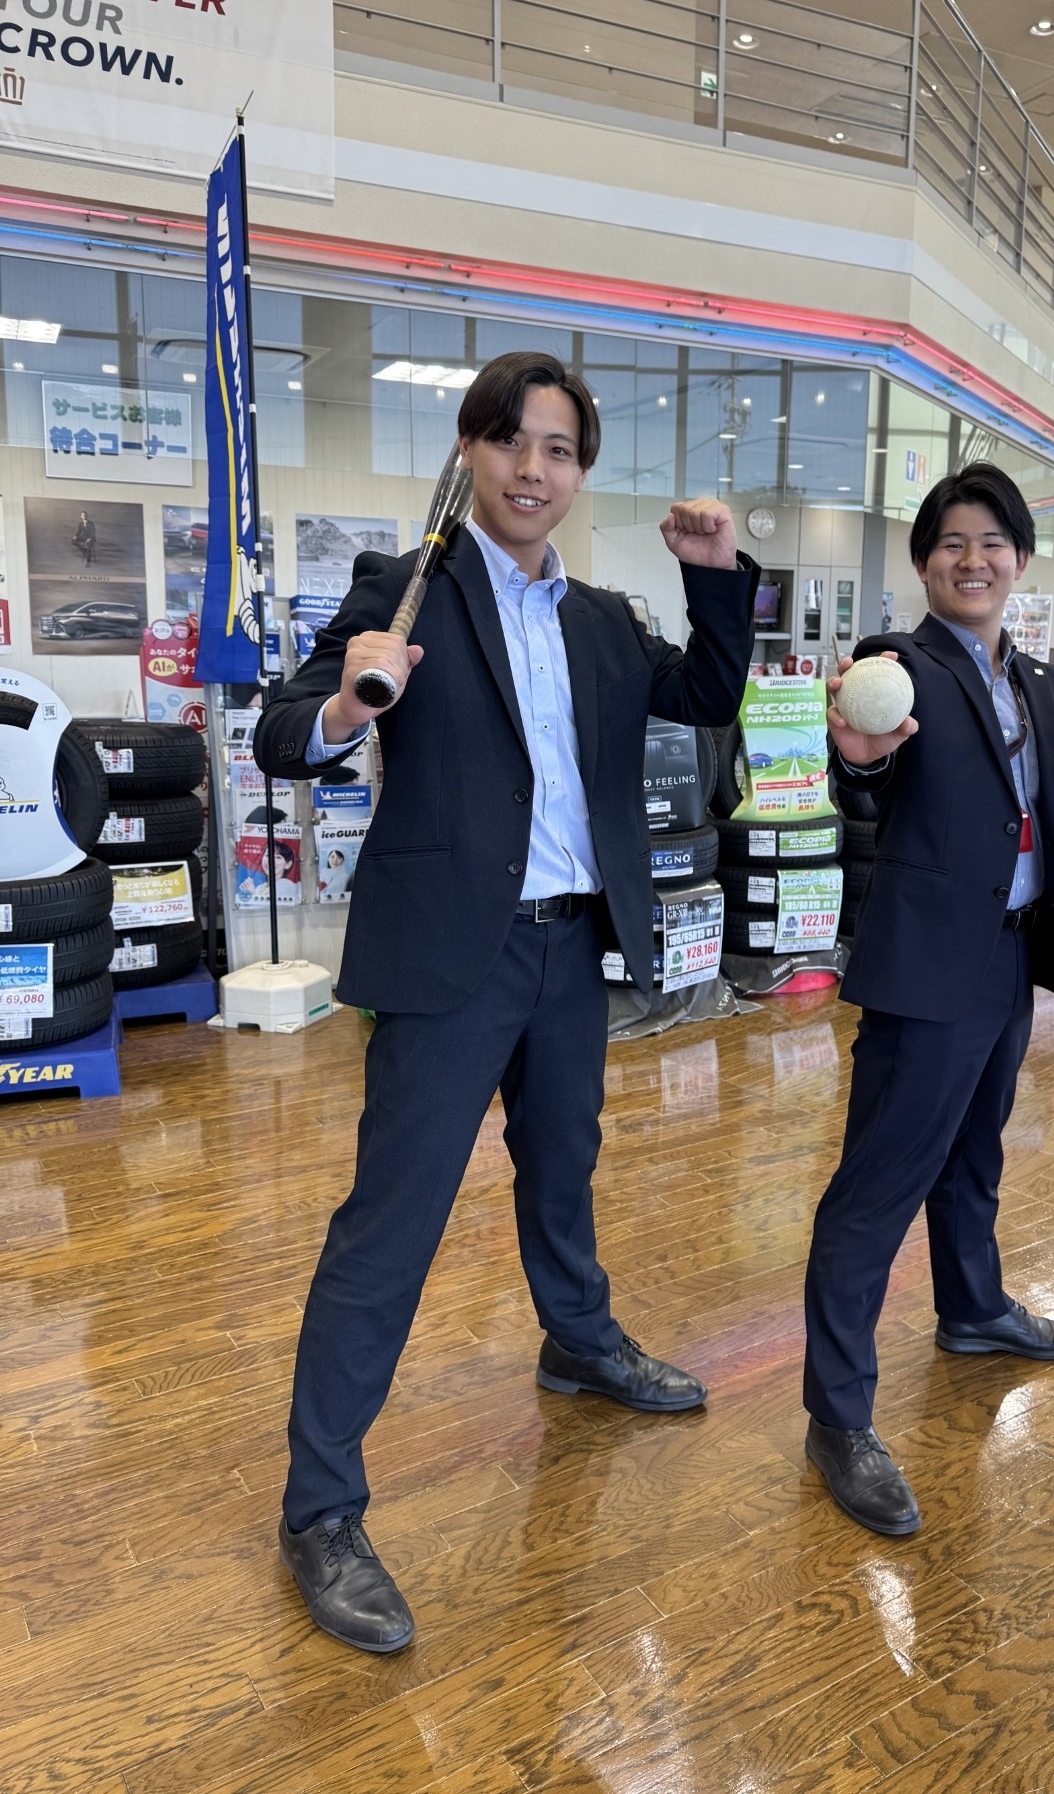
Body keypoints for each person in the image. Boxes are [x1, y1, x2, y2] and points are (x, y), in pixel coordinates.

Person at [254, 350, 757, 1651]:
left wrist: (716, 575)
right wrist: (348, 699)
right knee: (391, 1225)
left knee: (564, 1169)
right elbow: (281, 732)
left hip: (569, 951)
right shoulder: (405, 588)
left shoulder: (602, 620)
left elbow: (708, 695)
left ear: (580, 472)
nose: (535, 468)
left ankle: (578, 1341)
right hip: (446, 962)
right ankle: (321, 1509)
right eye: (512, 441)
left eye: (561, 449)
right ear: (473, 452)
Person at [803, 463, 1054, 1536]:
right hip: (924, 970)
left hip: (1011, 962)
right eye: (951, 543)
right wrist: (859, 763)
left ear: (1021, 561)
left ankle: (973, 1309)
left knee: (975, 1156)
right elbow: (869, 775)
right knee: (877, 1188)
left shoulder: (1051, 689)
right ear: (925, 563)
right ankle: (837, 1415)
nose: (972, 560)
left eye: (992, 543)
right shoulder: (897, 666)